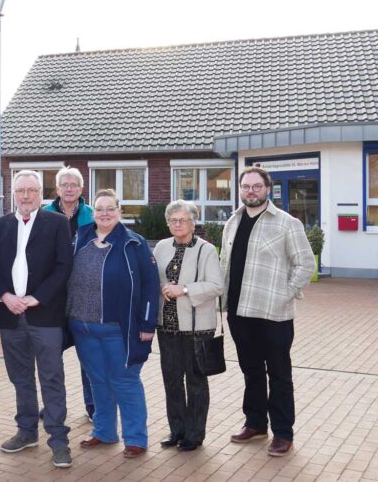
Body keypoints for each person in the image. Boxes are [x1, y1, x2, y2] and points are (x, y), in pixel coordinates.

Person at [221, 166, 315, 456]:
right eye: (246, 186)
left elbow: (305, 264)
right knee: (251, 370)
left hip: (274, 315)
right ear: (240, 189)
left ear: (267, 189)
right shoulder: (232, 222)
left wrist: (284, 296)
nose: (251, 191)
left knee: (279, 374)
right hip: (238, 312)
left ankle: (283, 433)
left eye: (256, 186)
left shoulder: (287, 223)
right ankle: (256, 423)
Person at [0, 170, 74, 468]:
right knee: (21, 378)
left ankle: (59, 441)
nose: (25, 196)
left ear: (41, 193)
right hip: (10, 315)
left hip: (44, 314)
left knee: (51, 377)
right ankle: (26, 431)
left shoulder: (58, 224)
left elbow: (64, 267)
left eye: (31, 191)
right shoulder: (0, 226)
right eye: (20, 190)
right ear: (14, 193)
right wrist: (6, 297)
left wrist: (37, 298)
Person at [69, 189, 159, 458]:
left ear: (119, 212)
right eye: (99, 209)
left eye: (110, 208)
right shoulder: (80, 237)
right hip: (82, 327)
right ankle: (104, 431)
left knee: (124, 381)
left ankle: (135, 438)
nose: (104, 214)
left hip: (119, 329)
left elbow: (151, 286)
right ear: (93, 212)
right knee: (97, 381)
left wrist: (147, 323)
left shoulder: (135, 243)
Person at [154, 200, 223, 452]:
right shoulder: (161, 247)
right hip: (167, 327)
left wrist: (183, 289)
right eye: (173, 220)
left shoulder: (206, 250)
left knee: (195, 382)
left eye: (183, 220)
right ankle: (177, 430)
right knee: (171, 380)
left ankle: (194, 434)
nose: (177, 224)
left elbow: (216, 285)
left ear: (194, 223)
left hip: (197, 328)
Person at [44, 166, 95, 421]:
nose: (69, 188)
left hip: (83, 297)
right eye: (64, 184)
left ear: (81, 188)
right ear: (57, 188)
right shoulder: (45, 214)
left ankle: (92, 405)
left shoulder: (92, 216)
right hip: (53, 298)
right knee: (51, 355)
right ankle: (53, 405)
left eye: (73, 184)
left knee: (88, 355)